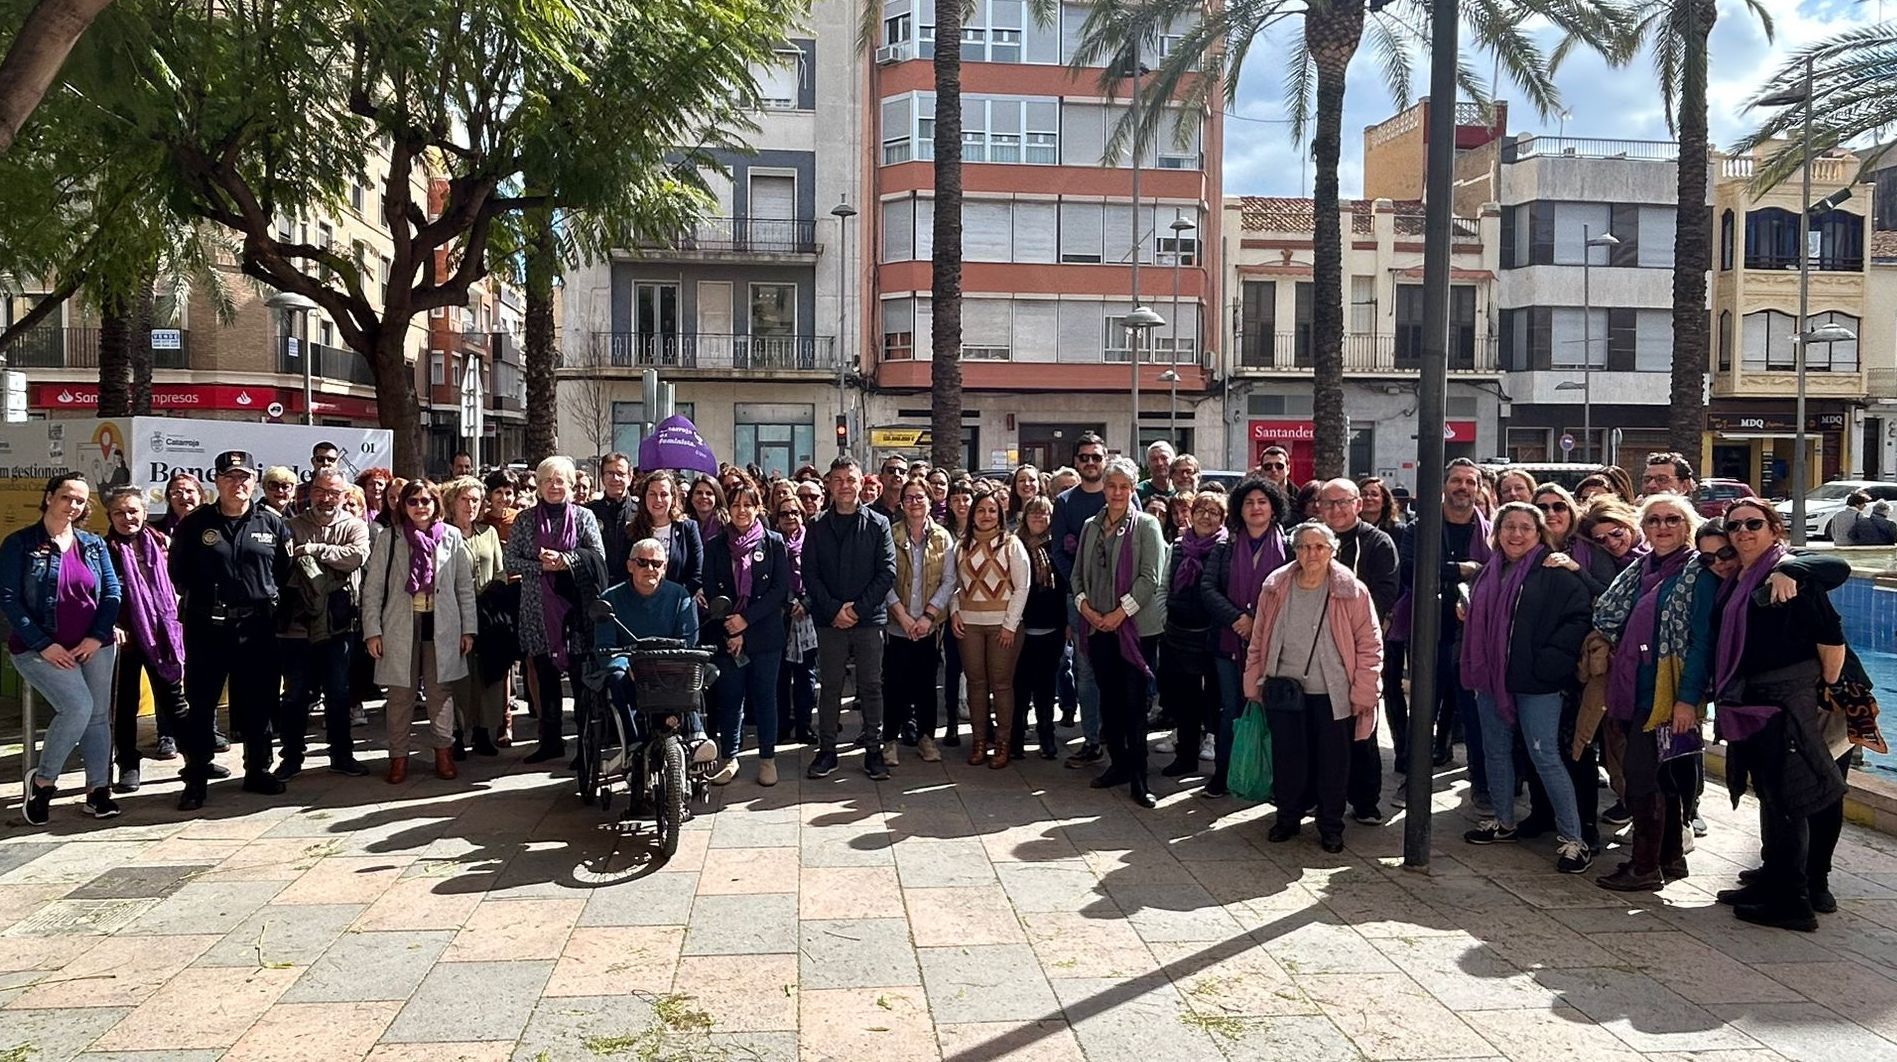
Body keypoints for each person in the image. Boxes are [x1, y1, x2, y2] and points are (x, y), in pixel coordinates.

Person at [1708, 499, 1852, 930]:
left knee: (1794, 795)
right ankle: (1774, 880)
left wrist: (1819, 688)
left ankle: (1795, 900)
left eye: (1754, 523)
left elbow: (1830, 636)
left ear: (1774, 529)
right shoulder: (1743, 578)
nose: (1743, 532)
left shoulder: (1790, 576)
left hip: (1787, 701)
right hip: (1756, 700)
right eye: (1735, 526)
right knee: (1772, 795)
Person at [1590, 493, 1719, 891]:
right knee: (1660, 777)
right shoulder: (1641, 569)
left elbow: (1701, 641)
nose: (1663, 527)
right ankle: (1671, 859)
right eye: (1654, 520)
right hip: (1636, 685)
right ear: (1643, 528)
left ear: (1688, 526)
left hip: (1668, 689)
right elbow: (1610, 615)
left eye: (1672, 520)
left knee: (1642, 777)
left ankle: (1644, 867)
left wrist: (1686, 699)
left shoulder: (1699, 573)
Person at [1458, 502, 1595, 873]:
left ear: (1539, 534)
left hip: (1537, 682)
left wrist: (1549, 663)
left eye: (1525, 528)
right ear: (1497, 532)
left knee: (1545, 756)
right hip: (1491, 679)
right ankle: (1503, 821)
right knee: (1496, 751)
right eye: (1509, 527)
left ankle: (1574, 840)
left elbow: (1580, 614)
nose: (1516, 534)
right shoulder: (1489, 571)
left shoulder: (1553, 569)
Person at [1243, 522, 1382, 852]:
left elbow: (1370, 643)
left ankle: (1331, 826)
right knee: (1288, 758)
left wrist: (1365, 690)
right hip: (1283, 689)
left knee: (1333, 764)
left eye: (1320, 547)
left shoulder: (1352, 589)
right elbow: (1259, 636)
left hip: (1333, 693)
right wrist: (1253, 679)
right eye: (1305, 547)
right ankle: (1287, 819)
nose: (1312, 554)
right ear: (1295, 550)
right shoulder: (1276, 585)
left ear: (1332, 551)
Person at [168, 451, 292, 810]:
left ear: (254, 482)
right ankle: (196, 776)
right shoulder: (194, 525)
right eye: (229, 478)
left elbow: (283, 572)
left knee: (258, 701)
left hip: (257, 626)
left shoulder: (272, 523)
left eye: (244, 478)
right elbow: (180, 573)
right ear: (217, 482)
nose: (237, 485)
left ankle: (257, 770)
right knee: (202, 703)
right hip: (208, 626)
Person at [3, 475, 123, 823]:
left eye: (81, 501)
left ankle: (97, 792)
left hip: (93, 645)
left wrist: (97, 636)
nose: (73, 505)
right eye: (67, 497)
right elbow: (9, 599)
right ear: (49, 497)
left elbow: (112, 593)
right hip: (38, 648)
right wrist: (44, 644)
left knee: (98, 716)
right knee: (78, 707)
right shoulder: (21, 544)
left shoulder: (93, 545)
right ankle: (42, 784)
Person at [363, 479, 477, 783]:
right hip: (401, 624)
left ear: (436, 504)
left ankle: (444, 753)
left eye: (426, 500)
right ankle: (398, 758)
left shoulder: (451, 537)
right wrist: (372, 630)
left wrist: (469, 629)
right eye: (412, 501)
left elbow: (464, 587)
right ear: (403, 505)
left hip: (442, 624)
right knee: (401, 695)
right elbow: (373, 589)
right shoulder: (389, 538)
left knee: (441, 692)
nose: (420, 507)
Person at [1074, 456, 1168, 809]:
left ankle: (1140, 778)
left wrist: (1118, 614)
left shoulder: (1146, 526)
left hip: (1135, 631)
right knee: (1109, 702)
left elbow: (1150, 578)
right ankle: (1118, 764)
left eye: (1124, 487)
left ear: (1132, 490)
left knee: (1133, 706)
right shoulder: (1090, 526)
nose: (1116, 492)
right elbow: (1077, 575)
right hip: (1098, 627)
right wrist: (1086, 608)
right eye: (1111, 486)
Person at [1394, 459, 1491, 797]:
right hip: (1428, 630)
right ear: (1444, 486)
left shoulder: (1491, 532)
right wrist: (1460, 569)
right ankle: (1413, 780)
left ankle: (1482, 784)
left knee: (1475, 712)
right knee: (1423, 707)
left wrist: (1444, 570)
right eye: (1456, 481)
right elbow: (1409, 570)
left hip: (1474, 635)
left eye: (1470, 482)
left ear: (1478, 490)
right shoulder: (1419, 528)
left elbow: (1496, 573)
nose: (1463, 487)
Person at [505, 456, 607, 765]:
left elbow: (598, 557)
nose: (554, 486)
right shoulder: (524, 520)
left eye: (560, 480)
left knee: (579, 681)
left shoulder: (585, 517)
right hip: (537, 610)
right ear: (538, 485)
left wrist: (567, 561)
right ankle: (550, 741)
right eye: (547, 480)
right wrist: (541, 566)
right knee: (546, 680)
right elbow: (510, 561)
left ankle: (586, 747)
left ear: (571, 486)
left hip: (575, 610)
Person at [803, 454, 898, 780]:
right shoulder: (815, 526)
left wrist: (856, 610)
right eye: (839, 480)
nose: (845, 486)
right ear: (829, 485)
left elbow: (887, 573)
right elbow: (810, 575)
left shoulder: (878, 524)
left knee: (871, 685)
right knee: (829, 686)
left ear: (862, 484)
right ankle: (827, 750)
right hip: (830, 622)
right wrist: (834, 610)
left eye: (851, 480)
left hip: (869, 620)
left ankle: (873, 750)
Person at [274, 468, 372, 779]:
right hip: (296, 627)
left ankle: (341, 754)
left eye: (334, 493)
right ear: (309, 491)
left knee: (338, 692)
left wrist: (314, 551)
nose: (326, 498)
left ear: (344, 496)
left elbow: (355, 557)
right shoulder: (290, 526)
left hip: (338, 626)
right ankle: (291, 757)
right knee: (295, 694)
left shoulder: (355, 526)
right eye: (320, 490)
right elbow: (282, 564)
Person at [1199, 477, 1290, 797]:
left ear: (1273, 508)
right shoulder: (1225, 545)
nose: (1255, 508)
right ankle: (1224, 774)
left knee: (1274, 712)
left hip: (1274, 646)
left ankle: (1275, 778)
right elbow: (1207, 589)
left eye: (1262, 502)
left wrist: (1259, 625)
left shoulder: (1290, 546)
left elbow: (1292, 595)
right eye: (1249, 502)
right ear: (1239, 507)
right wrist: (1238, 619)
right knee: (1231, 711)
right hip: (1228, 642)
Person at [1317, 478, 1398, 825]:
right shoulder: (1310, 539)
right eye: (1328, 503)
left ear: (1358, 505)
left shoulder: (1378, 543)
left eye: (1343, 502)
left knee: (1362, 726)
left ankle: (1366, 800)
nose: (1335, 510)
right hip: (1315, 651)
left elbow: (1384, 596)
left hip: (1359, 649)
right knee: (1320, 728)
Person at [702, 479, 791, 786]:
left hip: (764, 634)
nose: (742, 511)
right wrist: (731, 625)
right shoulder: (715, 545)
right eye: (736, 504)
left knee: (765, 697)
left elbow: (780, 590)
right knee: (730, 696)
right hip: (727, 634)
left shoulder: (774, 542)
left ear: (758, 508)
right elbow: (712, 586)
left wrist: (746, 622)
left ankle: (767, 757)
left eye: (748, 505)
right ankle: (730, 756)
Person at [102, 487, 192, 791]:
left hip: (161, 636)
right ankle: (128, 764)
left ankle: (196, 761)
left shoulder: (161, 542)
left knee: (175, 701)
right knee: (125, 705)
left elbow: (178, 581)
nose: (127, 518)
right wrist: (112, 623)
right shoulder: (104, 550)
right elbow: (99, 594)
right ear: (109, 516)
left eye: (133, 511)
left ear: (144, 512)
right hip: (126, 639)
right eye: (119, 512)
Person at [597, 538, 714, 762]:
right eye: (642, 562)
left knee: (693, 671)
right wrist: (628, 663)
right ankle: (634, 743)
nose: (650, 569)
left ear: (665, 567)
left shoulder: (680, 596)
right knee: (616, 674)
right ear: (630, 566)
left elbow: (688, 640)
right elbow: (605, 648)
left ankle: (696, 737)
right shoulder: (610, 599)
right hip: (629, 662)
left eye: (656, 563)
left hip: (670, 662)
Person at [952, 489, 1031, 766]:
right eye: (982, 510)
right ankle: (978, 741)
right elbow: (953, 584)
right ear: (973, 513)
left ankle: (1002, 743)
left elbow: (1022, 587)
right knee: (975, 684)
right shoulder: (961, 545)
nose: (986, 516)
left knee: (1001, 685)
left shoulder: (1011, 544)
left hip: (1002, 626)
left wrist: (1010, 625)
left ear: (1001, 514)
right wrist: (954, 611)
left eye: (992, 510)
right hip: (970, 624)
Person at [884, 476, 955, 762]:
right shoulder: (890, 534)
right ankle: (889, 740)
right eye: (909, 497)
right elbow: (884, 578)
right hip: (896, 624)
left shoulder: (943, 537)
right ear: (901, 503)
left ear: (930, 501)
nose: (915, 502)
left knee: (926, 685)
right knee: (894, 684)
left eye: (920, 497)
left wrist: (928, 616)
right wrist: (901, 614)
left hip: (928, 626)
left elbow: (949, 581)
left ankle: (927, 738)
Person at [1051, 433, 1110, 766]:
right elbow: (1058, 550)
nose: (1090, 462)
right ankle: (1091, 739)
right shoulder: (1065, 502)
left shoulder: (1120, 496)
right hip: (1079, 599)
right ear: (1076, 462)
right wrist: (1081, 588)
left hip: (1118, 603)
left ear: (1105, 460)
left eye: (1096, 457)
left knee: (1115, 670)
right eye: (1084, 457)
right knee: (1085, 672)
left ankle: (1112, 734)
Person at [1159, 490, 1225, 778]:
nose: (1206, 516)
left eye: (1213, 512)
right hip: (1177, 632)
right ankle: (1185, 756)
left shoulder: (1226, 548)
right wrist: (1165, 617)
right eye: (1201, 510)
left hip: (1212, 634)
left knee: (1214, 697)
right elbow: (1163, 586)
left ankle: (1216, 753)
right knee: (1183, 699)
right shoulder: (1177, 547)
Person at [444, 476, 510, 756]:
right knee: (458, 677)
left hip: (487, 614)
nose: (471, 505)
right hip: (454, 614)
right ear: (452, 502)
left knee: (488, 675)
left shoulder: (489, 533)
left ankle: (484, 731)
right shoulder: (443, 534)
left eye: (475, 500)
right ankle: (458, 732)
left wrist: (491, 596)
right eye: (464, 499)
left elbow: (500, 571)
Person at [1012, 496, 1068, 760]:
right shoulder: (1014, 545)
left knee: (1046, 686)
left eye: (1045, 514)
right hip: (1022, 627)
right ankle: (1016, 736)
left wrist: (1067, 623)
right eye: (1034, 513)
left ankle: (1046, 732)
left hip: (1052, 627)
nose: (1039, 518)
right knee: (1020, 684)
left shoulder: (1058, 547)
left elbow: (1066, 587)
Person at [774, 495, 819, 745]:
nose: (790, 517)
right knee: (780, 676)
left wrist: (806, 603)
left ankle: (804, 725)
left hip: (809, 615)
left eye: (794, 513)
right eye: (784, 513)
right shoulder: (771, 543)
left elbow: (821, 573)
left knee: (807, 675)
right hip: (782, 615)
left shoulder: (813, 541)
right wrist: (789, 601)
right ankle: (782, 725)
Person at [628, 470, 705, 597]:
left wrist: (676, 595)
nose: (658, 500)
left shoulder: (688, 528)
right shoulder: (632, 530)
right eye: (652, 494)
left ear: (673, 498)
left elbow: (698, 572)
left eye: (664, 494)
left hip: (679, 601)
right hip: (641, 601)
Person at [587, 452, 637, 577]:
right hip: (599, 584)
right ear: (602, 478)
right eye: (610, 473)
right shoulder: (589, 513)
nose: (615, 478)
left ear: (630, 477)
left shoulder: (641, 512)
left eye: (620, 474)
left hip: (632, 586)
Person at [688, 474, 726, 542]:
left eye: (709, 493)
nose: (704, 497)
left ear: (717, 498)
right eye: (699, 493)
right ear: (691, 497)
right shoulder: (685, 524)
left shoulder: (725, 524)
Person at [872, 454, 908, 524]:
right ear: (880, 477)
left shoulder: (912, 510)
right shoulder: (868, 511)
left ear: (907, 478)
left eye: (902, 472)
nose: (897, 474)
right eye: (891, 470)